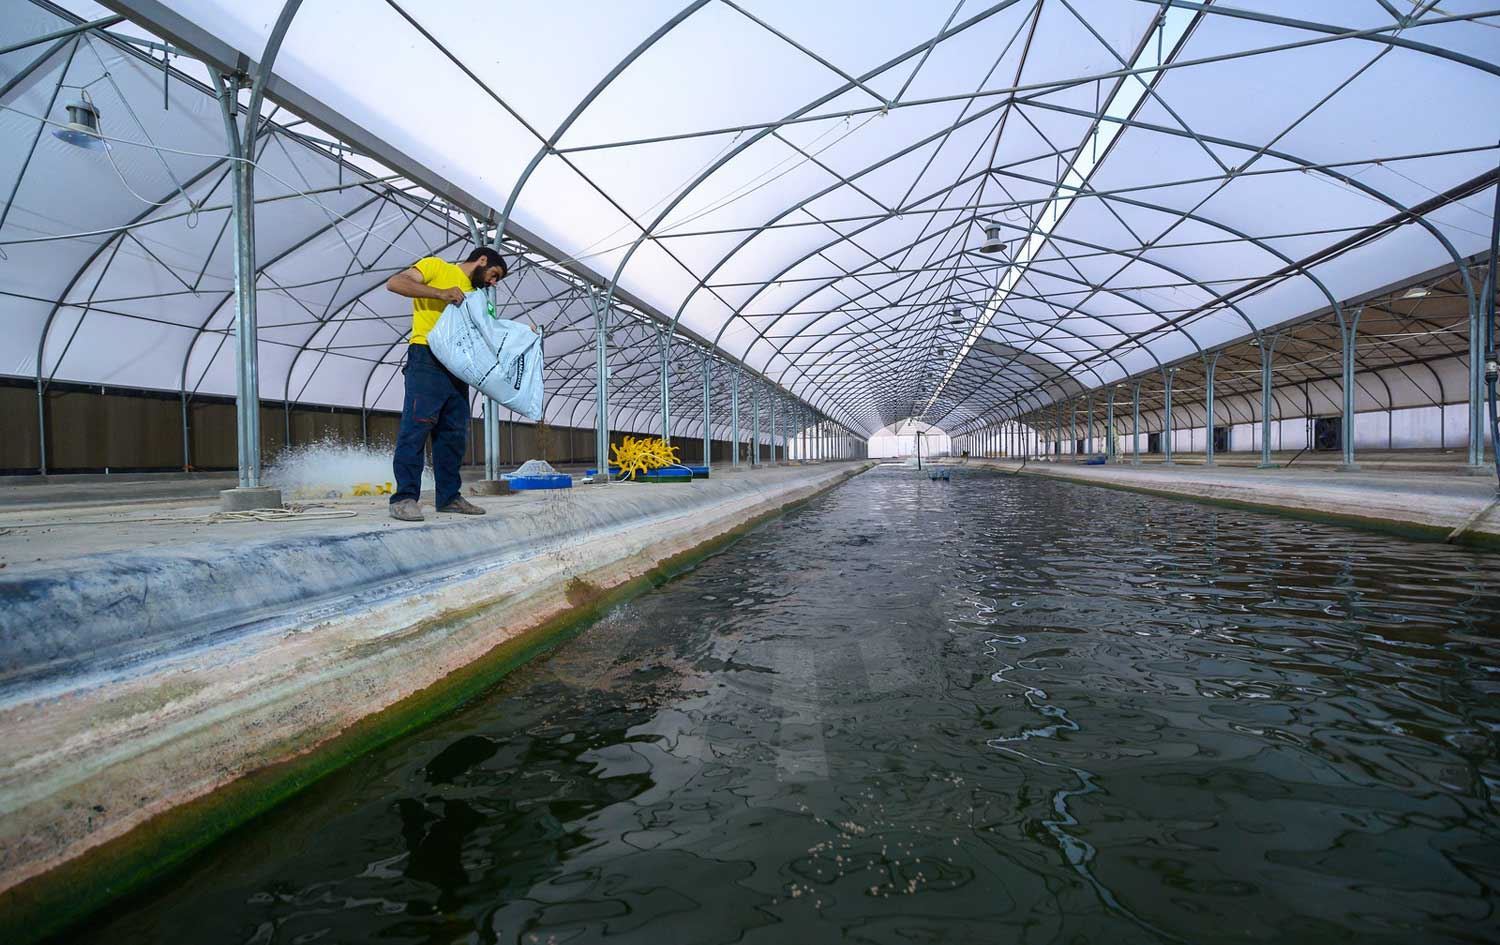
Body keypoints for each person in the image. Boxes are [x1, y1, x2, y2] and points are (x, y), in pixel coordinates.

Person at [384, 246, 509, 522]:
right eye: (494, 274)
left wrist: (522, 337)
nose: (493, 282)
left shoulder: (478, 297)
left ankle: (449, 497)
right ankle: (404, 498)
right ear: (482, 260)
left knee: (453, 434)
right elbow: (395, 283)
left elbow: (490, 331)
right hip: (426, 355)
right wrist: (441, 293)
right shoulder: (436, 267)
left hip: (458, 364)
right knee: (417, 426)